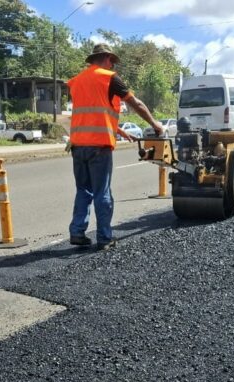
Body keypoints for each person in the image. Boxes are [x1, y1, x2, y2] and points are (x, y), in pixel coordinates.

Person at [66, 43, 164, 250]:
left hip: (77, 145)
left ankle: (77, 232)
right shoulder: (109, 78)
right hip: (99, 147)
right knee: (102, 192)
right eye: (112, 61)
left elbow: (92, 113)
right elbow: (135, 103)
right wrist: (155, 124)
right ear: (107, 58)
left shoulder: (76, 81)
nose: (113, 65)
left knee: (83, 190)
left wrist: (119, 130)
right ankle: (104, 237)